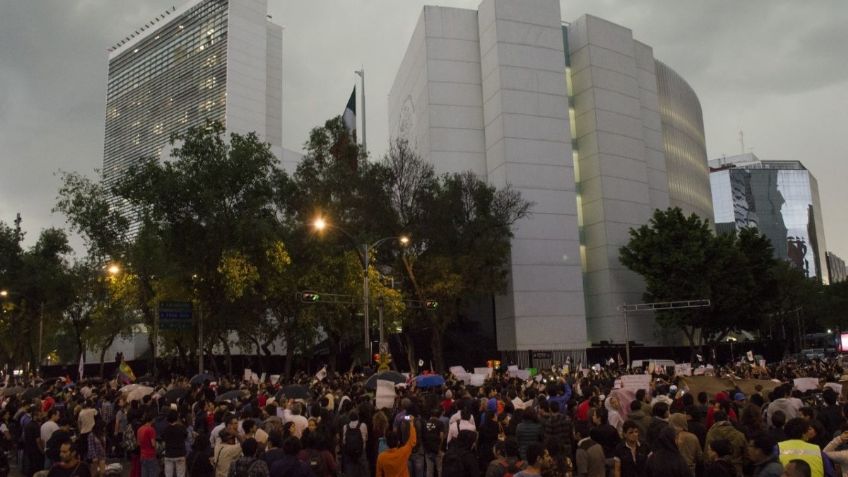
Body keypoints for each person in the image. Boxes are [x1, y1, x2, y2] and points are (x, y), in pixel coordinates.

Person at [705, 410, 746, 475]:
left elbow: (707, 455)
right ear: (727, 419)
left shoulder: (711, 434)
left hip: (717, 471)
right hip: (737, 470)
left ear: (714, 421)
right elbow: (746, 455)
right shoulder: (739, 434)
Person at [162, 410, 189, 477]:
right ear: (177, 418)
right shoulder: (181, 428)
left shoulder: (166, 429)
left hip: (169, 454)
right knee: (181, 474)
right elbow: (185, 436)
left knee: (168, 475)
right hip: (180, 453)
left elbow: (163, 438)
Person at [137, 411, 158, 477]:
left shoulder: (140, 429)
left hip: (142, 455)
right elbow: (153, 444)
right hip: (150, 455)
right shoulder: (151, 430)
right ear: (152, 419)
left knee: (144, 474)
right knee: (152, 473)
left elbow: (138, 443)